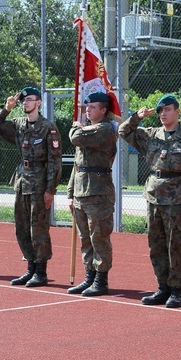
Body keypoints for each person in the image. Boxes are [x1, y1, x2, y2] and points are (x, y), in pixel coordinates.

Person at [118, 94, 181, 308]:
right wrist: (136, 117)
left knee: (175, 244)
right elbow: (123, 132)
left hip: (176, 198)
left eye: (167, 109)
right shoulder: (151, 135)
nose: (163, 114)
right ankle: (162, 287)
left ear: (177, 111)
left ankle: (176, 290)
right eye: (160, 111)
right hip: (154, 195)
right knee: (155, 244)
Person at [0, 87, 62, 287]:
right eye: (23, 101)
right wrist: (6, 108)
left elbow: (55, 161)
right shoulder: (19, 124)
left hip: (39, 183)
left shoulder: (48, 127)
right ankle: (30, 268)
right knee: (21, 227)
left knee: (38, 228)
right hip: (22, 181)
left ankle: (41, 272)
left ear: (38, 102)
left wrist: (50, 189)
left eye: (29, 100)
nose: (25, 103)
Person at [67, 92, 117, 297]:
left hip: (98, 193)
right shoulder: (87, 129)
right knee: (85, 238)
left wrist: (75, 126)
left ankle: (101, 281)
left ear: (104, 110)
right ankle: (89, 277)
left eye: (92, 106)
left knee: (99, 238)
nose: (87, 109)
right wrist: (70, 192)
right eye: (86, 106)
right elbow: (78, 166)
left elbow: (75, 137)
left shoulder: (104, 129)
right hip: (81, 192)